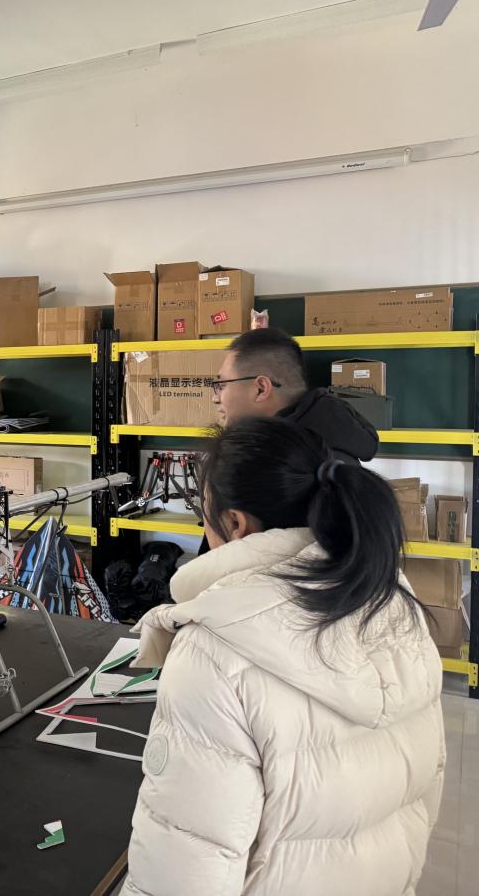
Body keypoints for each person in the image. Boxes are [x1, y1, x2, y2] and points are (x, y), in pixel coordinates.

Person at [124, 417, 444, 895]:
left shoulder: (214, 649)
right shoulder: (392, 601)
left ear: (235, 524)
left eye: (203, 514)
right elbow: (425, 787)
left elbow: (186, 865)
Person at [213, 326, 378, 463]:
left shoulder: (292, 471)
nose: (215, 398)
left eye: (222, 385)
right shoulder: (322, 448)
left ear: (261, 389)